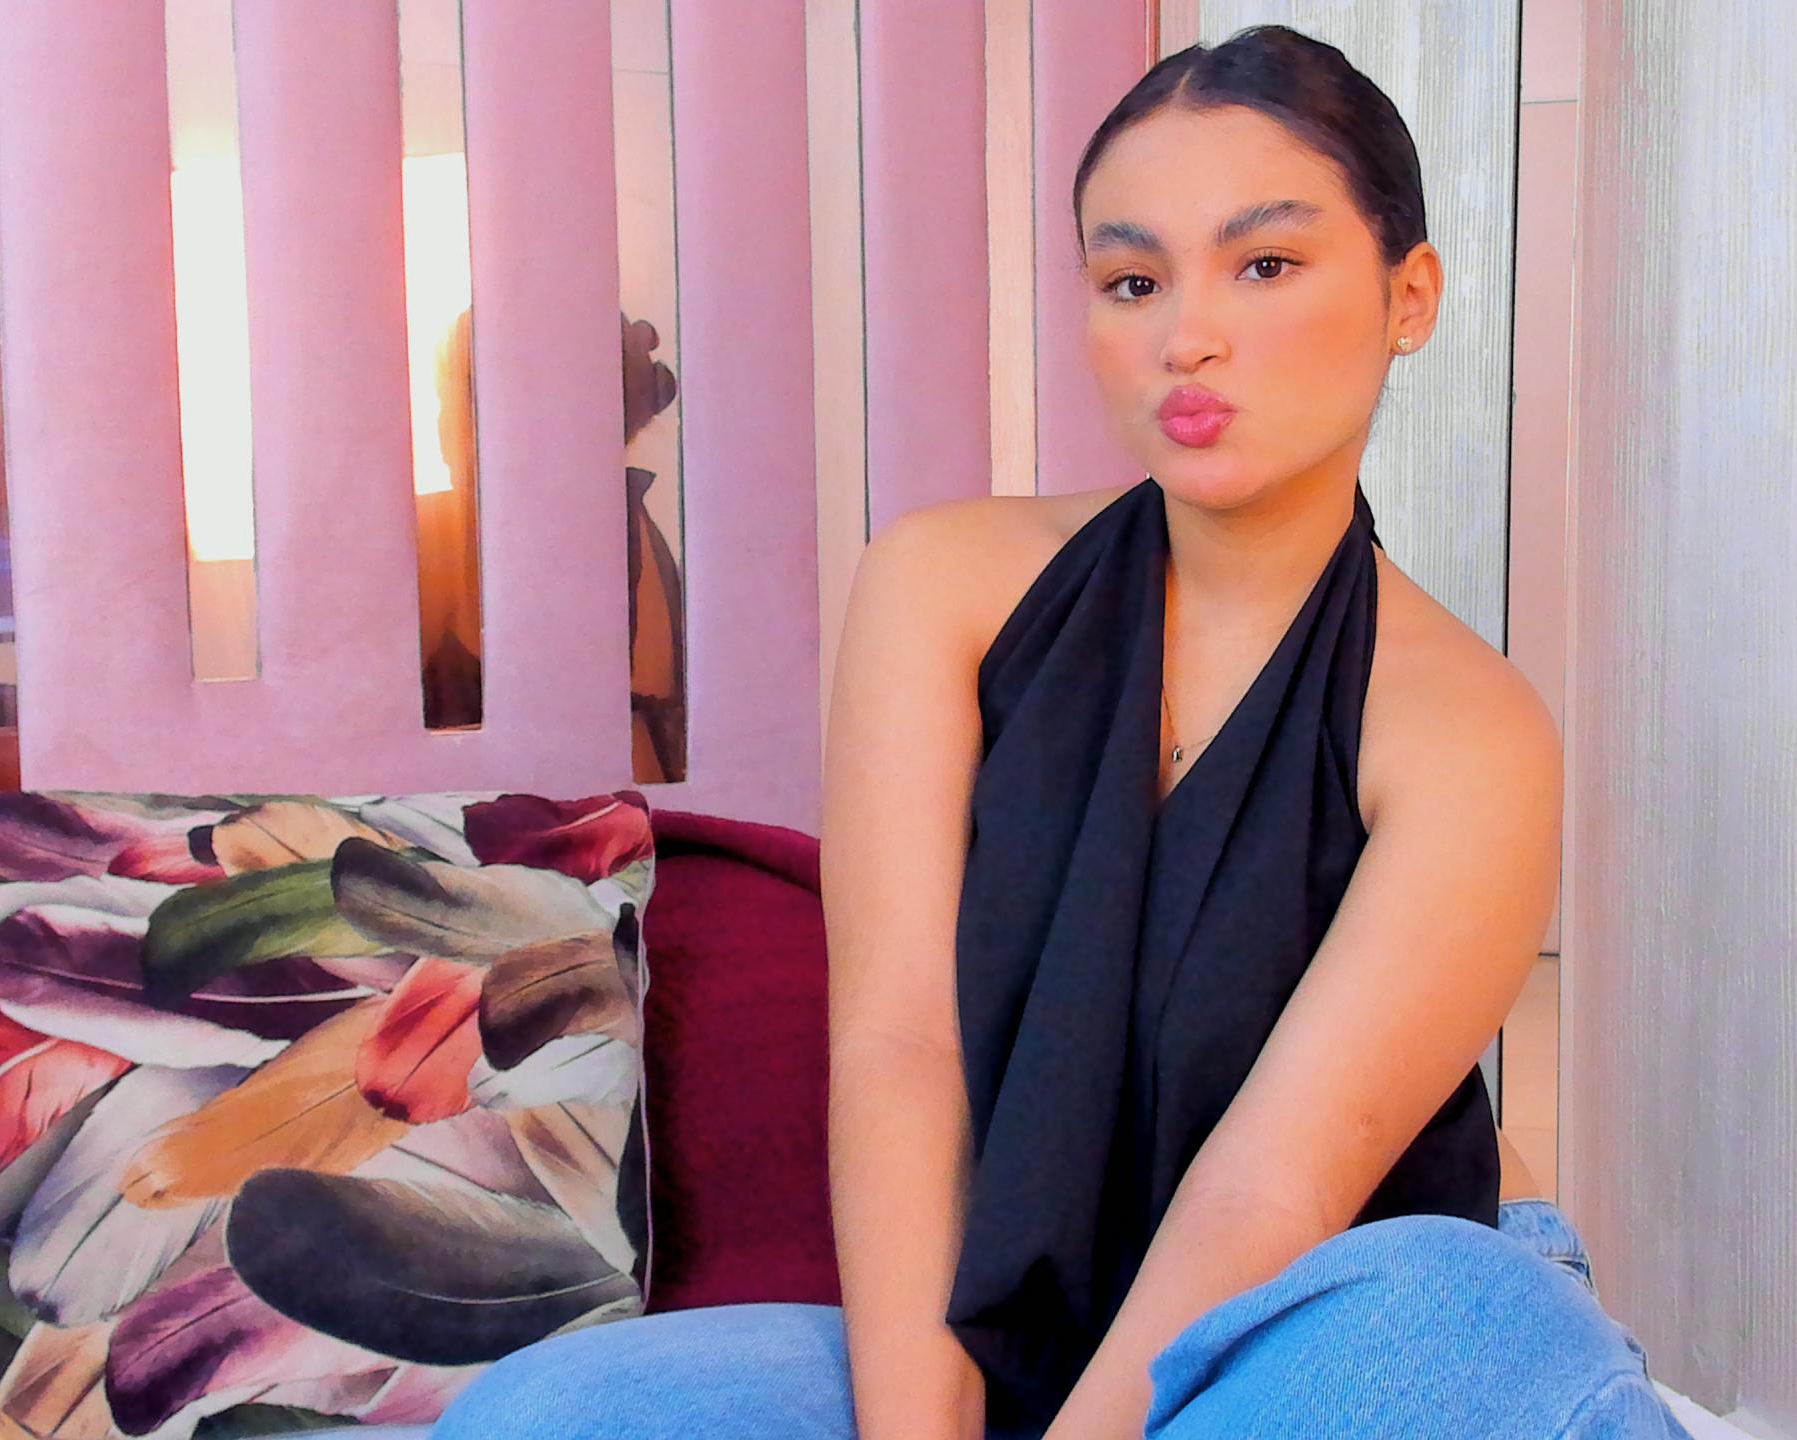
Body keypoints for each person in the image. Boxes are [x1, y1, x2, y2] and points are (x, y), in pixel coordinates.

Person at [430, 24, 1680, 1440]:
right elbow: (903, 1043)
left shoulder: (1469, 729)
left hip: (1319, 1331)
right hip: (1011, 1321)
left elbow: (1272, 1188)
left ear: (1410, 297)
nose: (1185, 335)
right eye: (1132, 280)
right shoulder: (943, 585)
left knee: (1468, 1312)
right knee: (554, 1412)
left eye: (1265, 264)